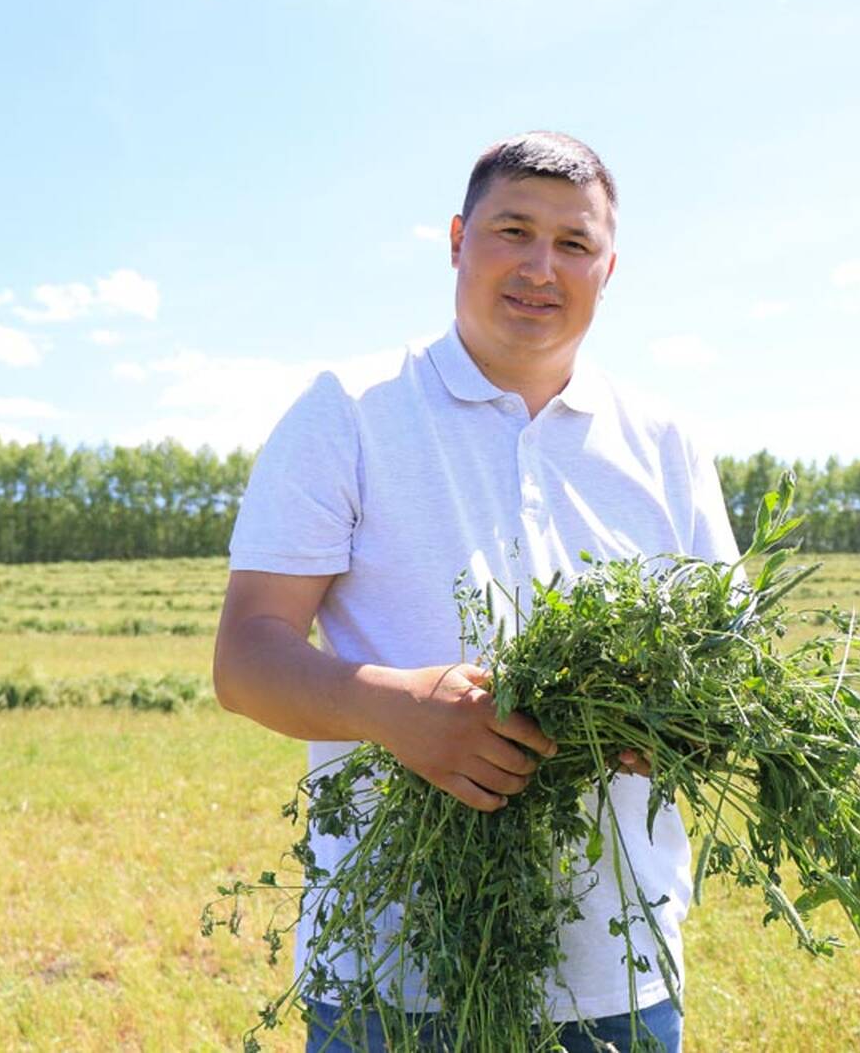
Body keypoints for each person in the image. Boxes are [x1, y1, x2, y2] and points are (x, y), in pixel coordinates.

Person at [213, 131, 737, 1053]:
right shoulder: (353, 409)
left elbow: (729, 673)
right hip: (389, 970)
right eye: (512, 231)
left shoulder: (664, 443)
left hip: (615, 974)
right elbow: (247, 654)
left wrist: (673, 727)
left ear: (609, 268)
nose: (541, 267)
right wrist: (394, 706)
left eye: (573, 244)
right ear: (458, 238)